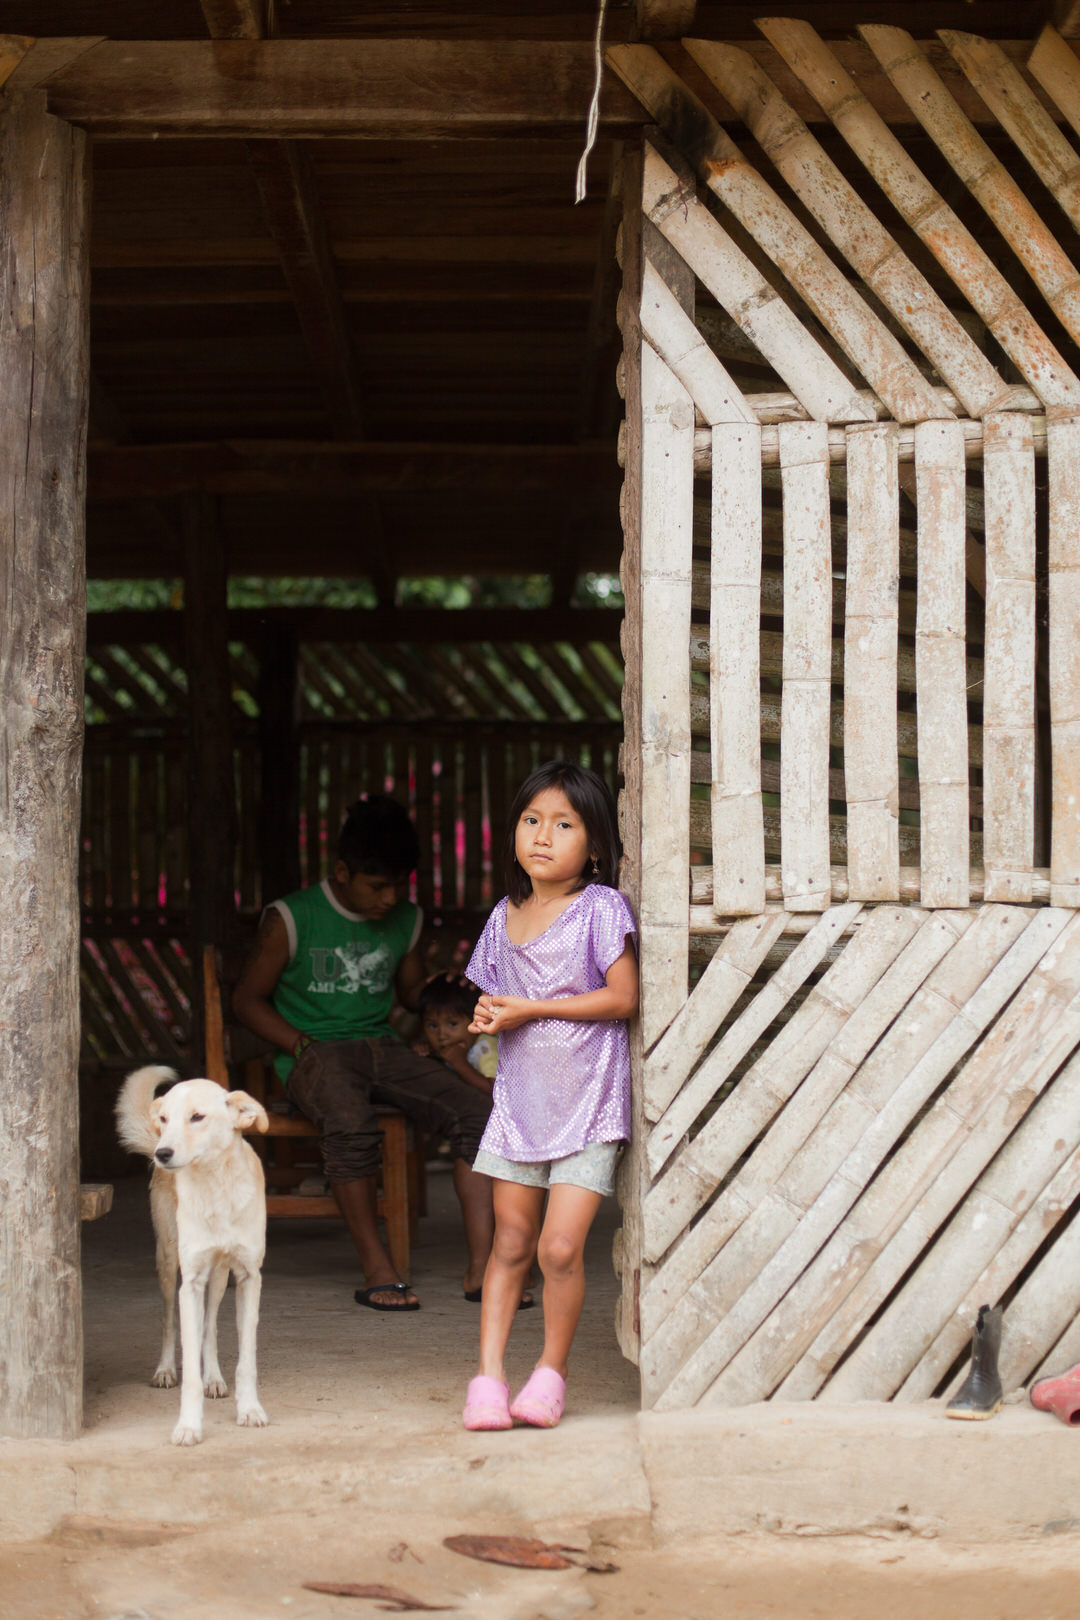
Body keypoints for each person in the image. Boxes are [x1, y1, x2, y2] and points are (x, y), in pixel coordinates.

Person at [231, 794, 494, 1312]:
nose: (389, 898)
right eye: (377, 885)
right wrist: (299, 1044)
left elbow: (410, 995)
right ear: (343, 871)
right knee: (351, 1122)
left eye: (400, 885)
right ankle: (378, 1267)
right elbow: (245, 1001)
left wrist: (442, 989)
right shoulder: (292, 916)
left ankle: (484, 1268)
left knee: (477, 1111)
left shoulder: (407, 919)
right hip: (315, 1054)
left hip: (381, 1047)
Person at [460, 760, 638, 1430]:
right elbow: (491, 998)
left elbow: (623, 997)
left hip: (591, 1108)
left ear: (593, 846)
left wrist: (527, 1009)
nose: (542, 835)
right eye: (532, 820)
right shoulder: (504, 917)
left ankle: (550, 1374)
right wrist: (488, 1016)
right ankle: (487, 1378)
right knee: (509, 1242)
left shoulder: (599, 908)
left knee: (558, 1249)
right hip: (519, 1109)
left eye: (564, 825)